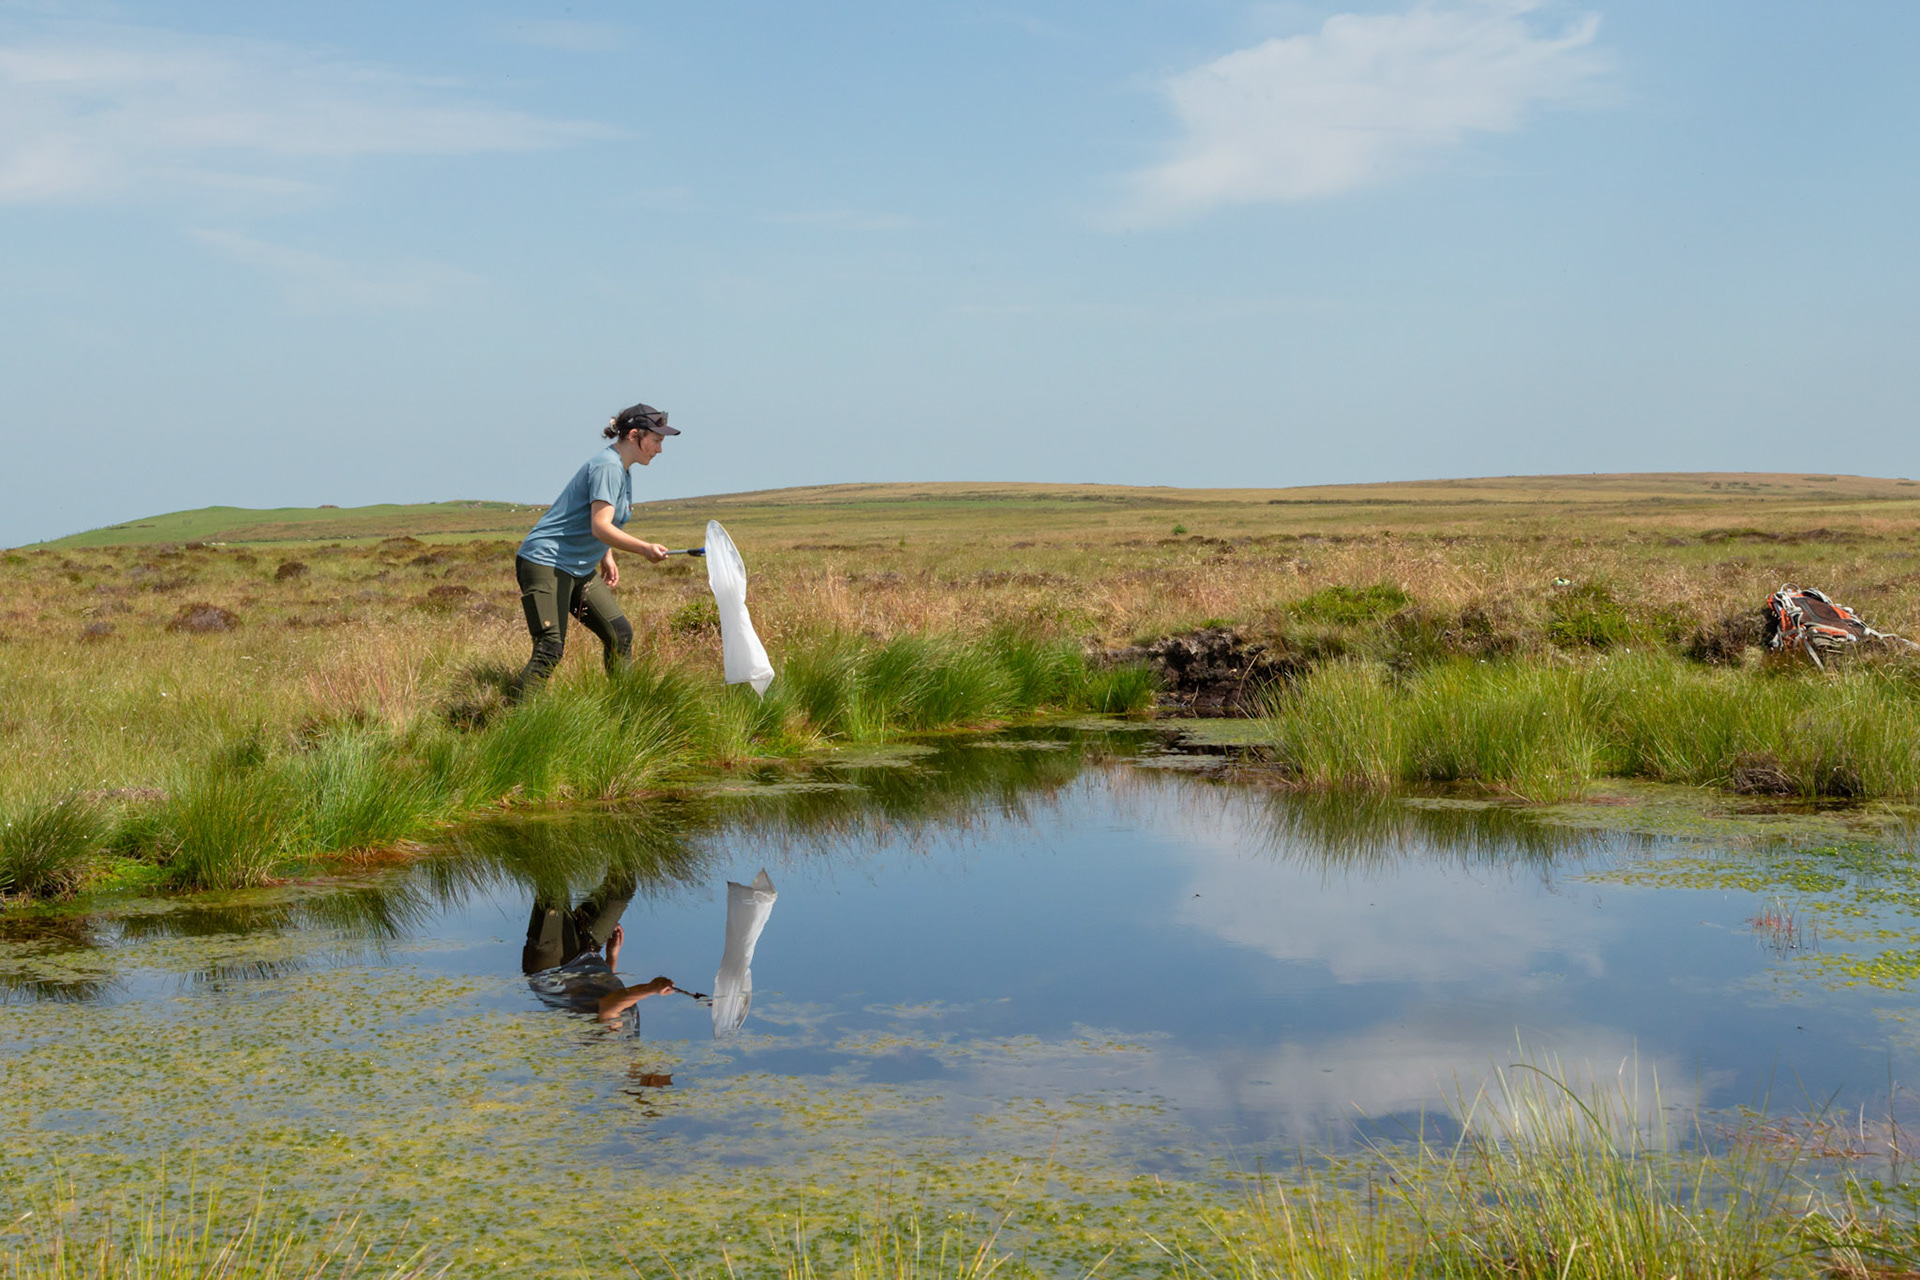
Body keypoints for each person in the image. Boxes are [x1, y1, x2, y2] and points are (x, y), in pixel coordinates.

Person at [512, 403, 680, 699]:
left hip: (578, 567)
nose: (659, 449)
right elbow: (601, 526)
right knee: (549, 648)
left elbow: (597, 519)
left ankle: (626, 710)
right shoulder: (608, 467)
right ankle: (511, 721)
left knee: (620, 635)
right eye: (656, 441)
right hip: (546, 561)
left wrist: (606, 554)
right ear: (633, 436)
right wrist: (644, 549)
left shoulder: (623, 470)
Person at [522, 870, 676, 1028]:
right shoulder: (629, 1039)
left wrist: (652, 988)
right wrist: (612, 956)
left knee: (554, 888)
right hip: (588, 953)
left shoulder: (608, 1048)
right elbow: (600, 996)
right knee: (622, 890)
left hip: (557, 970)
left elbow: (609, 1006)